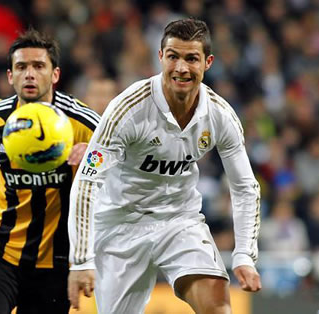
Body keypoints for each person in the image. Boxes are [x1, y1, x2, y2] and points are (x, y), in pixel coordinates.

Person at [68, 18, 262, 313]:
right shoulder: (127, 110)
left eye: (191, 59)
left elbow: (245, 188)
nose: (181, 68)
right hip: (120, 224)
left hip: (178, 220)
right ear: (161, 57)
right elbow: (87, 181)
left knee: (217, 306)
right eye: (173, 57)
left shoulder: (220, 116)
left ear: (208, 62)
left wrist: (245, 255)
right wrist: (81, 258)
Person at [0, 29, 100, 314]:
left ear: (55, 75)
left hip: (55, 260)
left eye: (39, 66)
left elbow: (118, 160)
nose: (30, 74)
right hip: (0, 251)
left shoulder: (85, 123)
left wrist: (94, 157)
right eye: (21, 67)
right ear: (9, 76)